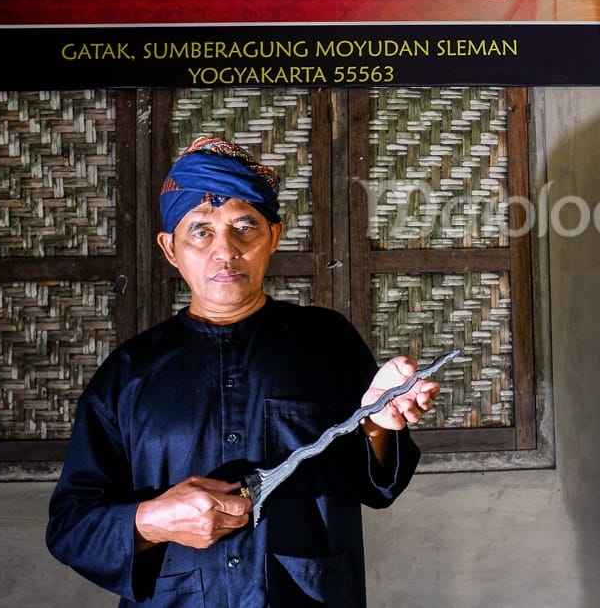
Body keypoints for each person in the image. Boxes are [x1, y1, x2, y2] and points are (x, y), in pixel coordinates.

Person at [46, 135, 439, 607]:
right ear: (171, 248)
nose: (225, 250)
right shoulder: (128, 374)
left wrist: (377, 423)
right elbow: (70, 527)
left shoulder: (327, 342)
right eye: (201, 231)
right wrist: (150, 520)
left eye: (244, 226)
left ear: (273, 236)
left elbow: (375, 488)